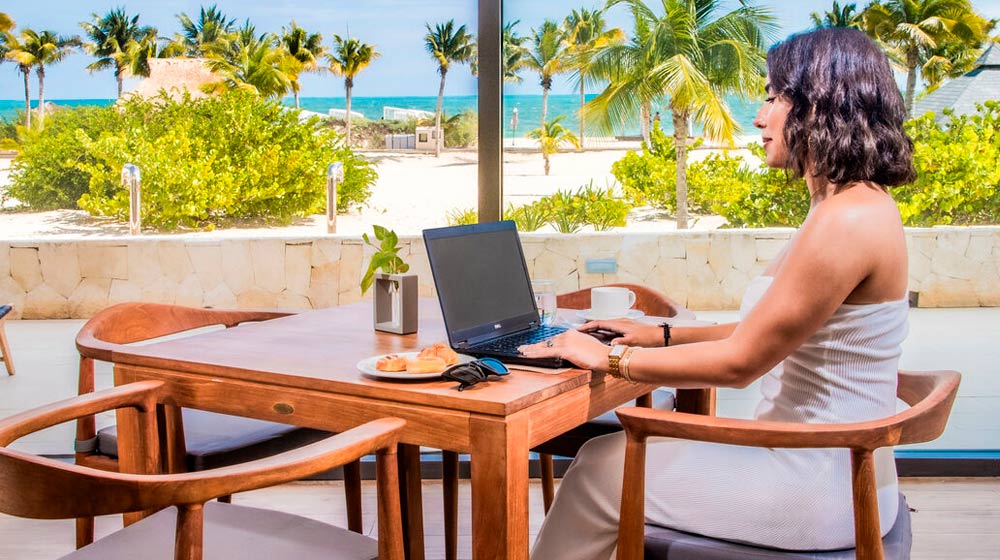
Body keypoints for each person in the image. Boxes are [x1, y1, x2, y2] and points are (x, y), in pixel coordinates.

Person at [521, 27, 916, 559]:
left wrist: (611, 358)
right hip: (835, 468)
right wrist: (661, 334)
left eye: (774, 97)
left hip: (817, 486)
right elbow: (775, 332)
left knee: (597, 470)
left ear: (820, 103)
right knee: (605, 456)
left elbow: (741, 363)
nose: (759, 115)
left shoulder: (847, 220)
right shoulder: (850, 205)